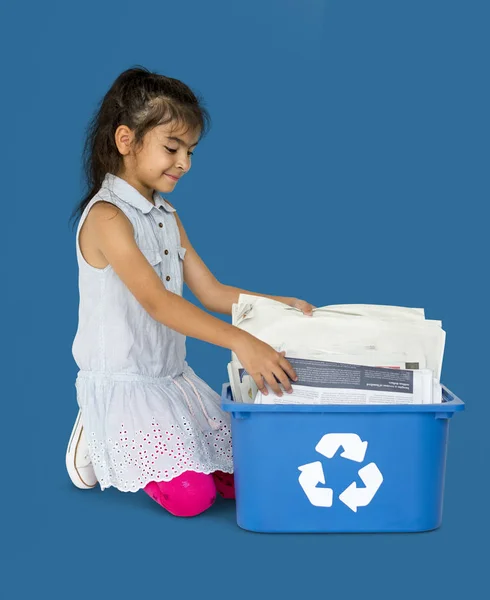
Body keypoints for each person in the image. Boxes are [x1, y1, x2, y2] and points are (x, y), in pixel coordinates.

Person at [65, 66, 315, 518]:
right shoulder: (107, 218)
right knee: (192, 499)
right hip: (125, 383)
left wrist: (279, 306)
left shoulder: (165, 215)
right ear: (126, 140)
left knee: (245, 476)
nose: (185, 163)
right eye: (172, 147)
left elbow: (211, 291)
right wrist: (243, 341)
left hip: (170, 379)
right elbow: (159, 304)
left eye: (191, 151)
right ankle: (97, 431)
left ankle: (144, 440)